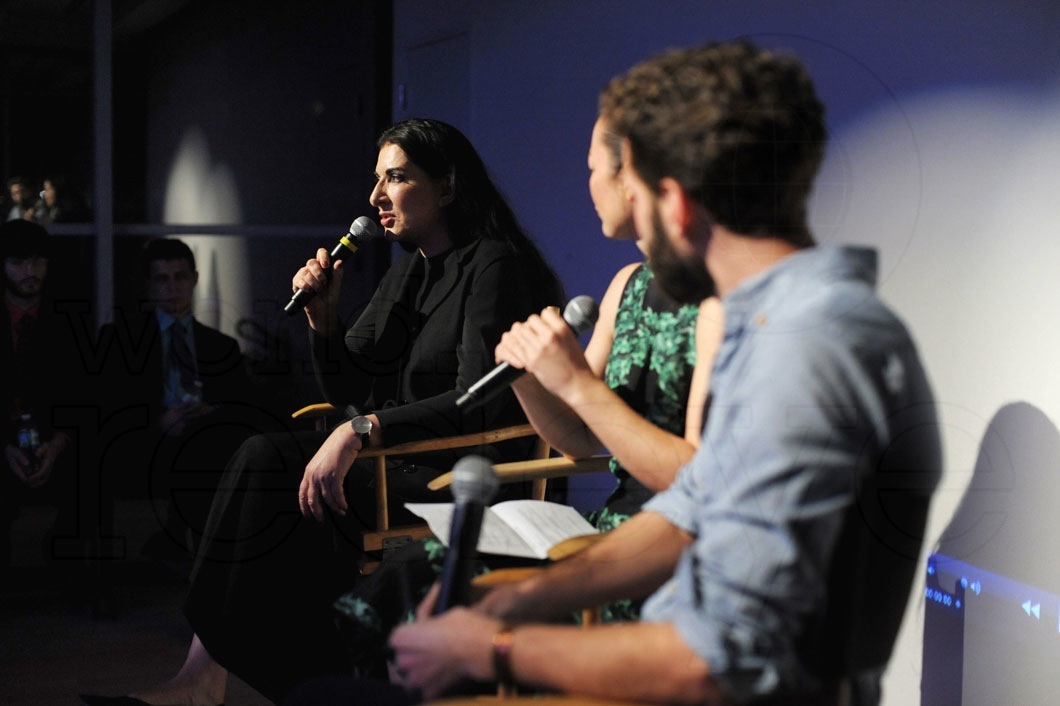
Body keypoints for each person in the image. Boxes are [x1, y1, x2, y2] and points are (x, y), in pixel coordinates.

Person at [359, 41, 941, 706]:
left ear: (671, 199)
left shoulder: (811, 345)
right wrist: (511, 602)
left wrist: (494, 648)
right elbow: (688, 514)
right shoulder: (773, 327)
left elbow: (720, 664)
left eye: (626, 184)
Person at [80, 118, 563, 706]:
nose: (376, 196)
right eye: (376, 179)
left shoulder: (494, 265)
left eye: (397, 177)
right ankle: (221, 676)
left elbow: (477, 401)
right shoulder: (409, 270)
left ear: (449, 187)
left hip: (453, 472)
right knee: (262, 467)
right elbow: (348, 381)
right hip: (393, 460)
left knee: (266, 463)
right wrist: (324, 320)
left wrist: (363, 428)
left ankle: (230, 680)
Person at [330, 112, 723, 677]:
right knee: (412, 576)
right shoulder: (626, 286)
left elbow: (691, 480)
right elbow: (571, 436)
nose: (587, 183)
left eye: (593, 168)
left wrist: (576, 383)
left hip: (659, 541)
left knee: (423, 581)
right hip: (612, 524)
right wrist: (529, 376)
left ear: (635, 181)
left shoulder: (716, 303)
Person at [95, 237, 260, 560]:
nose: (173, 287)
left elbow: (243, 407)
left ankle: (178, 545)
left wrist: (210, 411)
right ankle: (185, 549)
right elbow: (108, 406)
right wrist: (159, 420)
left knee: (213, 441)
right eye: (162, 279)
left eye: (180, 277)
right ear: (149, 285)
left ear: (194, 279)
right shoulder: (120, 339)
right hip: (145, 444)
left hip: (204, 442)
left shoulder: (220, 346)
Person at [0, 219, 82, 579]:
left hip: (51, 433)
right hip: (6, 436)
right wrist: (4, 446)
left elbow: (81, 392)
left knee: (88, 467)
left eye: (37, 261)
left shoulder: (67, 317)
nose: (30, 271)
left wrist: (57, 442)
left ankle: (69, 561)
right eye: (18, 262)